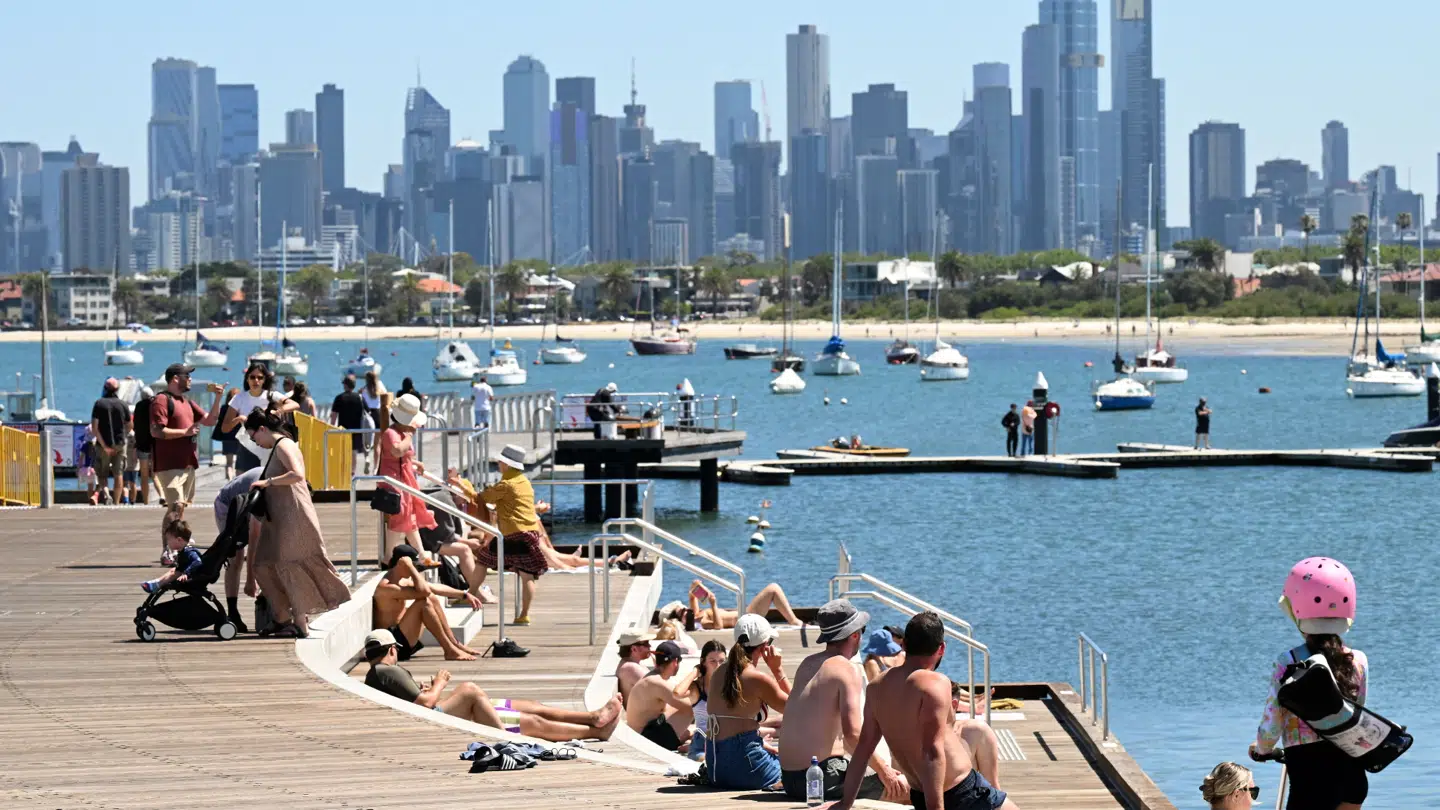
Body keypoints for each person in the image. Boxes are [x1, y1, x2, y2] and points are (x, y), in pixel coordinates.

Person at [829, 611, 1017, 810]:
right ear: (941, 648)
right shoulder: (935, 683)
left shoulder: (876, 688)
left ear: (905, 645)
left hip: (920, 794)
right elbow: (932, 752)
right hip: (962, 791)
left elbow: (862, 751)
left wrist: (845, 803)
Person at [1250, 557, 1368, 810]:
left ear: (1296, 609)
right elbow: (1357, 712)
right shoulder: (1358, 660)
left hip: (1311, 775)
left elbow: (1273, 721)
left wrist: (1262, 749)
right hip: (1352, 769)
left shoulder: (1289, 661)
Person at [361, 629, 623, 741]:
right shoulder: (387, 670)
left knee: (531, 707)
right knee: (471, 689)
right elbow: (425, 704)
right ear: (392, 649)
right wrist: (439, 684)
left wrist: (431, 690)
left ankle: (592, 717)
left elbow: (415, 700)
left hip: (438, 711)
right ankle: (594, 731)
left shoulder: (378, 673)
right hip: (435, 717)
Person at [780, 599, 909, 804]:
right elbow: (853, 735)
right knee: (907, 789)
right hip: (822, 777)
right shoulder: (847, 669)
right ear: (855, 634)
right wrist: (885, 772)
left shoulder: (807, 664)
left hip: (790, 779)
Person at [244, 408, 351, 638]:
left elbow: (297, 474)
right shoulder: (280, 445)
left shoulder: (283, 445)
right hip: (281, 517)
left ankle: (298, 624)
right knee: (264, 564)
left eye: (254, 437)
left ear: (262, 429)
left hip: (294, 516)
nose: (255, 442)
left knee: (290, 565)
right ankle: (284, 617)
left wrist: (267, 482)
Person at [704, 614, 789, 790]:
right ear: (765, 646)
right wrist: (778, 670)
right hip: (746, 766)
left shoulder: (719, 673)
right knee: (801, 772)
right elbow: (798, 708)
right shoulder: (757, 678)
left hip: (715, 768)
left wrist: (758, 740)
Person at [471, 444, 549, 625]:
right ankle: (524, 615)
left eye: (500, 461)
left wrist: (469, 490)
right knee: (527, 574)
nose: (498, 464)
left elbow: (484, 497)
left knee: (482, 560)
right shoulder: (524, 482)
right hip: (531, 532)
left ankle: (471, 593)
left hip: (513, 534)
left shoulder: (506, 484)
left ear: (506, 464)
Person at [374, 543, 483, 661]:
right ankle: (449, 650)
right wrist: (411, 568)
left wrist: (464, 594)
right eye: (413, 566)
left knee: (431, 598)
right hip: (391, 646)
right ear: (401, 564)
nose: (415, 569)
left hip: (402, 639)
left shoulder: (401, 580)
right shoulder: (386, 588)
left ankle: (454, 643)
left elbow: (432, 588)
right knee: (423, 602)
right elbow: (424, 592)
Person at [150, 364, 226, 521]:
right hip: (170, 464)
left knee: (180, 507)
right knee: (175, 506)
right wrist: (185, 432)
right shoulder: (162, 400)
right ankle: (169, 544)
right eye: (187, 376)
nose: (190, 379)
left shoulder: (187, 402)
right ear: (175, 379)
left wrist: (218, 398)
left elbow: (210, 420)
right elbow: (156, 431)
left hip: (188, 464)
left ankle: (176, 542)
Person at [376, 393, 437, 562]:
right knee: (401, 514)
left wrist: (415, 463)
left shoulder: (400, 433)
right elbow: (396, 451)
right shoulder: (391, 433)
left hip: (404, 478)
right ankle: (389, 556)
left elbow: (401, 455)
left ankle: (421, 554)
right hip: (394, 480)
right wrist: (409, 435)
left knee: (409, 516)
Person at [213, 467, 263, 632]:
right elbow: (254, 538)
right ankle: (232, 612)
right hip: (227, 503)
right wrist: (250, 579)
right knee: (236, 556)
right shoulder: (266, 490)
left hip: (247, 502)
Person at [222, 363, 296, 473]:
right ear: (247, 379)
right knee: (244, 484)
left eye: (260, 377)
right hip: (247, 446)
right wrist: (238, 420)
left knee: (269, 484)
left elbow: (294, 405)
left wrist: (277, 411)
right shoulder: (239, 398)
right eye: (252, 377)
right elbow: (225, 428)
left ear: (264, 380)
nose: (256, 380)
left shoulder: (271, 395)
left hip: (269, 447)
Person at [625, 640, 695, 751]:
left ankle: (686, 737)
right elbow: (691, 705)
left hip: (640, 734)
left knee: (680, 706)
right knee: (690, 708)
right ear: (675, 662)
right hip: (644, 740)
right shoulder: (657, 683)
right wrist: (695, 673)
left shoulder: (651, 678)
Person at [672, 579, 804, 629]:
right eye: (682, 612)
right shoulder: (700, 621)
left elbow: (692, 591)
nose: (686, 610)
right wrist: (713, 604)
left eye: (684, 608)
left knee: (773, 589)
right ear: (683, 619)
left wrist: (699, 587)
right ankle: (794, 621)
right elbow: (718, 626)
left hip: (744, 613)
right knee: (773, 588)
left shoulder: (696, 613)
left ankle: (794, 621)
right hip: (744, 619)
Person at [673, 639, 727, 759]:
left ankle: (688, 746)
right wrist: (695, 671)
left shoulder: (730, 685)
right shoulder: (697, 688)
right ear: (703, 662)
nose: (718, 666)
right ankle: (691, 747)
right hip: (703, 743)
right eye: (712, 661)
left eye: (722, 661)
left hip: (727, 741)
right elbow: (677, 693)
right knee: (708, 762)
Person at [90, 377, 130, 505]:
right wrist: (123, 436)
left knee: (102, 473)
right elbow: (130, 425)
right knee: (119, 473)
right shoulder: (123, 404)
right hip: (120, 444)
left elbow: (95, 428)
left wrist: (104, 445)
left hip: (103, 445)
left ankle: (107, 495)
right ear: (117, 389)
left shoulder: (99, 404)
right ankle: (117, 502)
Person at [140, 520, 201, 592]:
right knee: (174, 570)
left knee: (175, 572)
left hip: (195, 576)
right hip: (186, 572)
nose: (167, 542)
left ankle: (157, 584)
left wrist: (186, 573)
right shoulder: (183, 551)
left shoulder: (189, 551)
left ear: (179, 540)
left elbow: (198, 561)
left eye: (169, 539)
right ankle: (157, 582)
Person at [330, 376, 368, 471]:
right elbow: (367, 412)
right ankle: (352, 472)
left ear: (345, 385)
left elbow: (334, 415)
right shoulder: (359, 397)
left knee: (343, 451)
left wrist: (331, 428)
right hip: (356, 429)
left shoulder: (339, 398)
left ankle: (344, 471)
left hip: (343, 429)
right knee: (353, 452)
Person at [615, 629, 655, 703]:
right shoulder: (631, 668)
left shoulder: (632, 663)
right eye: (646, 643)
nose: (650, 646)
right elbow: (658, 691)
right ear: (634, 649)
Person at [132, 386, 156, 505]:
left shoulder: (138, 406)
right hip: (155, 443)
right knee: (156, 472)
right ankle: (162, 495)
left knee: (144, 475)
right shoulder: (155, 405)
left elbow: (135, 425)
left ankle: (146, 501)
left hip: (142, 444)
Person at [211, 388, 242, 479]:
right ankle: (237, 481)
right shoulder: (241, 408)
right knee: (240, 462)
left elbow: (219, 420)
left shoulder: (224, 408)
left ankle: (230, 480)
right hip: (239, 437)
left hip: (227, 437)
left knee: (229, 463)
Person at [77, 426, 99, 505]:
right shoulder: (97, 445)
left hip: (87, 469)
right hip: (96, 468)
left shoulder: (85, 445)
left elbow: (81, 458)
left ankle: (90, 500)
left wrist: (78, 468)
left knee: (90, 486)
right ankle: (95, 497)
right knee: (99, 484)